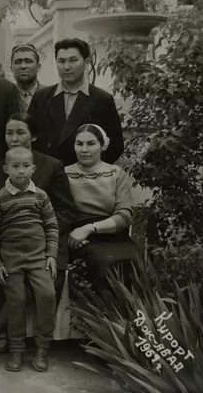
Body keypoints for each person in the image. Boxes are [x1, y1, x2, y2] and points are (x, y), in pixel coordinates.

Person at [0, 112, 76, 356]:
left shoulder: (52, 165)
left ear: (33, 136)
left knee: (46, 282)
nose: (14, 138)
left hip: (44, 236)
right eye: (9, 133)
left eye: (20, 132)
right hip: (10, 239)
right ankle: (5, 336)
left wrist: (39, 231)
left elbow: (66, 211)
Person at [0, 147, 59, 372]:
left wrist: (51, 255)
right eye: (15, 166)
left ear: (33, 168)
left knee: (47, 294)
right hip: (11, 260)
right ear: (6, 169)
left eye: (26, 166)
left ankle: (42, 349)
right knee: (16, 300)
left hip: (38, 258)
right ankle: (16, 350)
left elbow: (52, 226)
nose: (21, 171)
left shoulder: (41, 196)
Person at [28, 38, 124, 166]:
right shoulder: (41, 97)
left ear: (86, 62)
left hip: (86, 174)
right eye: (61, 61)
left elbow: (115, 145)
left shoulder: (102, 99)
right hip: (48, 173)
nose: (66, 67)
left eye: (73, 60)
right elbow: (28, 137)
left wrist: (91, 168)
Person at [65, 124, 137, 291]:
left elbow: (125, 215)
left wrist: (90, 228)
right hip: (78, 238)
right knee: (101, 263)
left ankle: (126, 308)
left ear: (103, 146)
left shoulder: (116, 173)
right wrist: (72, 234)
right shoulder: (64, 174)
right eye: (79, 144)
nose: (84, 149)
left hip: (112, 234)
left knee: (134, 261)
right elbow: (60, 212)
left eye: (91, 144)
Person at [10, 44, 44, 112]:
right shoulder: (3, 97)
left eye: (28, 61)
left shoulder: (51, 95)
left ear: (38, 67)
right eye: (18, 62)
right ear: (11, 69)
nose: (23, 66)